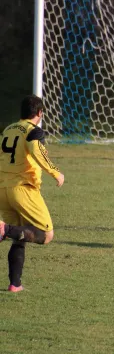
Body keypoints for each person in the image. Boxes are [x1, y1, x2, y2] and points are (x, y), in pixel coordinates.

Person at [0, 95, 65, 292]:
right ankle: (3, 229)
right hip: (23, 190)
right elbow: (39, 154)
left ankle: (15, 284)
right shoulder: (33, 132)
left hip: (3, 190)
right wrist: (56, 173)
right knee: (46, 234)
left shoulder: (8, 129)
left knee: (21, 236)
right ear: (39, 113)